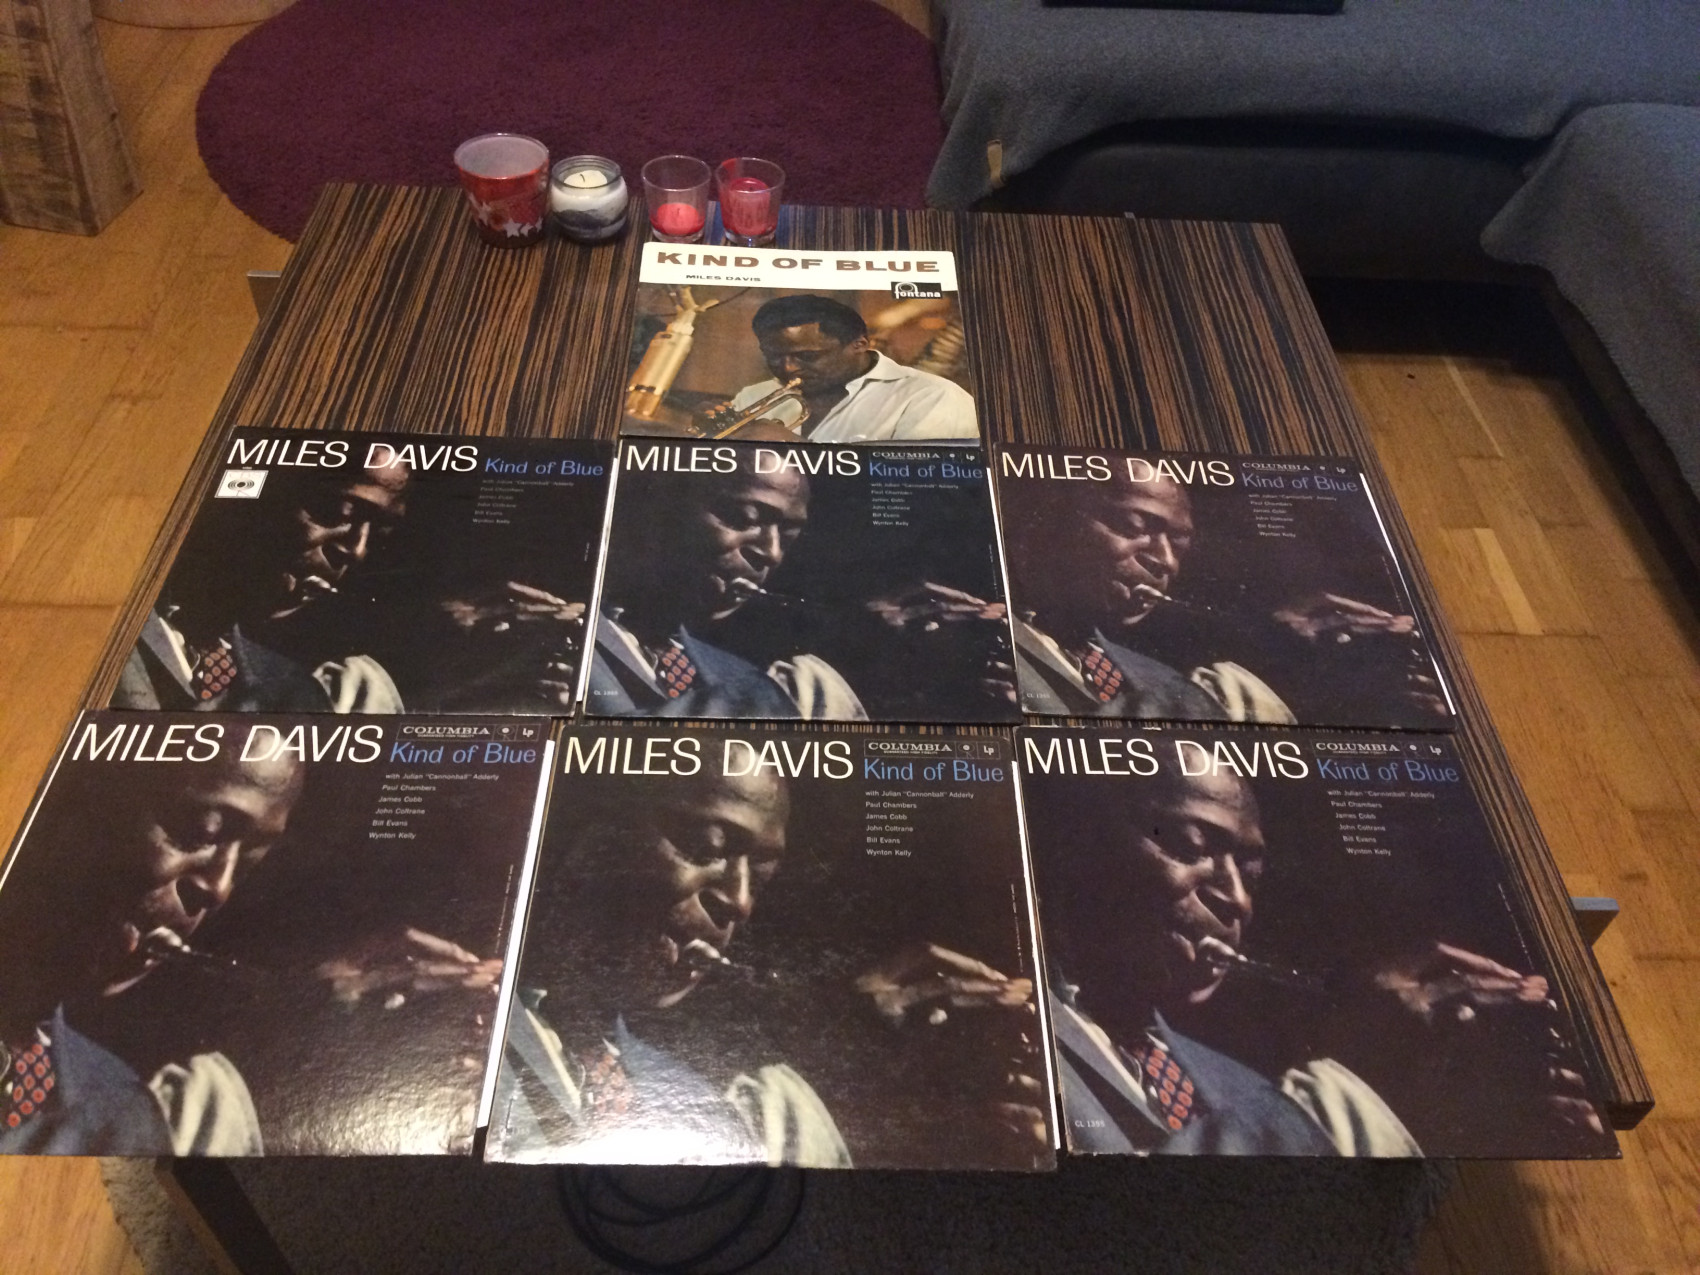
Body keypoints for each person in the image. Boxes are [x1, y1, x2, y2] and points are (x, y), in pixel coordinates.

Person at [491, 763, 1044, 1166]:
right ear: (588, 834)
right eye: (707, 847)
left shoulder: (699, 1096)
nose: (740, 902)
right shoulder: (470, 1016)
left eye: (761, 878)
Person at [1040, 763, 1604, 1155]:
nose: (1237, 900)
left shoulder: (1244, 1086)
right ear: (1081, 846)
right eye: (1191, 847)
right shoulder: (1007, 1035)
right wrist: (1361, 1080)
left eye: (1251, 877)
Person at [0, 749, 304, 1154]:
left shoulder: (119, 1100)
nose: (219, 889)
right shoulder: (132, 1115)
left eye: (246, 865)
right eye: (201, 831)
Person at [1004, 471, 1438, 721]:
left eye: (1180, 544)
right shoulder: (994, 644)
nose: (1165, 562)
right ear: (1048, 523)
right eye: (1135, 527)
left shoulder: (1163, 679)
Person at [114, 459, 413, 713]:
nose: (356, 551)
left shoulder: (295, 692)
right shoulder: (113, 624)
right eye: (339, 511)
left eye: (380, 533)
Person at [587, 465, 865, 719]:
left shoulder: (746, 675)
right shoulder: (566, 635)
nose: (773, 554)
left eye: (788, 538)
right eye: (743, 518)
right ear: (657, 507)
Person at [721, 295, 977, 444]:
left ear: (860, 345)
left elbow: (913, 493)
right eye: (774, 357)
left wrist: (790, 446)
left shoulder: (934, 398)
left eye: (808, 356)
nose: (788, 368)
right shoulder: (754, 395)